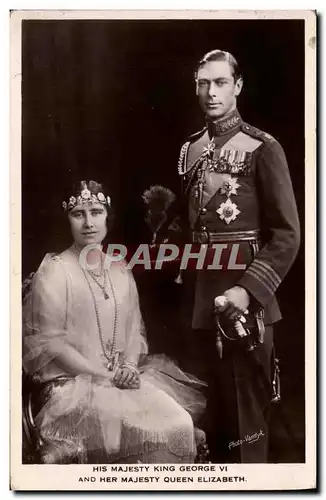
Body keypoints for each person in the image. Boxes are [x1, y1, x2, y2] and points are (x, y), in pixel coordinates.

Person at [146, 50, 301, 463]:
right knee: (207, 423)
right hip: (197, 304)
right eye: (203, 83)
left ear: (238, 86)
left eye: (219, 83)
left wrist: (249, 293)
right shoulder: (192, 149)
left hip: (242, 306)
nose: (210, 92)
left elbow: (287, 235)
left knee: (246, 427)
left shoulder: (262, 147)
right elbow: (194, 226)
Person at [22, 179, 206, 464]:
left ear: (108, 217)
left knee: (179, 421)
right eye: (78, 214)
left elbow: (135, 333)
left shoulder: (120, 269)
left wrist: (130, 366)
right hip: (69, 387)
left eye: (96, 212)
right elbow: (53, 345)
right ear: (67, 219)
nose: (88, 223)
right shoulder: (55, 272)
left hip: (120, 380)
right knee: (148, 427)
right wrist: (106, 376)